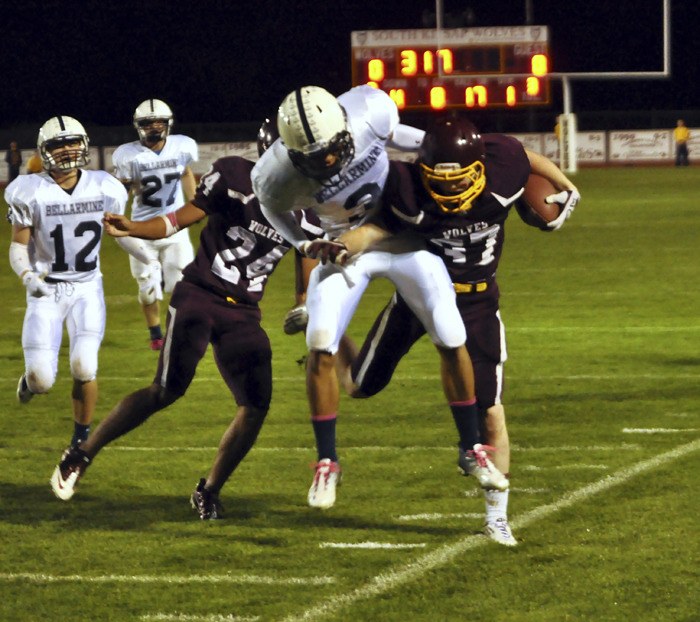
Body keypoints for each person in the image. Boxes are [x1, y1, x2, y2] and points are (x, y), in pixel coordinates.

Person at [252, 85, 507, 510]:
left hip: (401, 236)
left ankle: (470, 448)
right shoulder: (273, 175)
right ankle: (327, 461)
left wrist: (437, 157)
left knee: (450, 330)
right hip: (343, 247)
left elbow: (415, 142)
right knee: (320, 338)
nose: (329, 162)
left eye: (332, 150)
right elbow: (271, 206)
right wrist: (302, 243)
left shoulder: (370, 110)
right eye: (315, 160)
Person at [49, 121, 322, 518]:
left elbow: (306, 284)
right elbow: (177, 220)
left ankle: (208, 490)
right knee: (166, 390)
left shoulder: (309, 213)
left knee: (256, 404)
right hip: (199, 294)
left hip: (244, 312)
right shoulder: (233, 175)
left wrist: (308, 311)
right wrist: (135, 227)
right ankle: (83, 452)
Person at [335, 116, 580, 545]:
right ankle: (330, 340)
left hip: (476, 303)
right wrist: (344, 245)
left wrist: (567, 185)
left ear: (480, 168)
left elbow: (526, 157)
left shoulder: (502, 168)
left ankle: (497, 517)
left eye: (459, 179)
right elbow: (376, 229)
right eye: (439, 180)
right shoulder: (407, 187)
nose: (449, 189)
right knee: (357, 387)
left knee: (491, 411)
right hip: (419, 297)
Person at [6, 116, 158, 449]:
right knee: (42, 380)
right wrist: (28, 275)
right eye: (59, 144)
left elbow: (121, 234)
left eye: (73, 142)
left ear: (84, 144)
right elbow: (18, 247)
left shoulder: (104, 186)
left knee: (84, 366)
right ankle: (30, 384)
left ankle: (80, 441)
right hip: (46, 289)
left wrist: (151, 260)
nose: (67, 150)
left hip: (87, 288)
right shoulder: (29, 190)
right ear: (45, 151)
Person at [112, 98, 199, 351]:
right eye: (148, 123)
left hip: (174, 227)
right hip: (142, 230)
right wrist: (117, 217)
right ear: (139, 126)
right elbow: (124, 192)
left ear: (168, 123)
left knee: (182, 285)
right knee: (147, 287)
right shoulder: (129, 155)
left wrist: (193, 205)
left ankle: (180, 330)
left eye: (159, 122)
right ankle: (156, 334)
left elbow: (185, 172)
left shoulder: (181, 147)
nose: (154, 127)